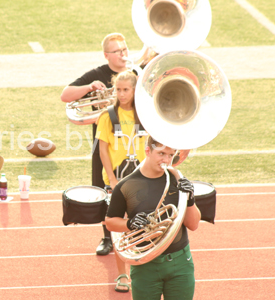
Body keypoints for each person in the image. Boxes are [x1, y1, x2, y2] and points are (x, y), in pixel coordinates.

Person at [105, 136, 201, 300]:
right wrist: (130, 224)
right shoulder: (127, 185)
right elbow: (110, 222)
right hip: (145, 265)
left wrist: (190, 199)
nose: (166, 160)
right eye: (161, 153)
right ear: (148, 151)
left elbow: (193, 225)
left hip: (180, 262)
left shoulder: (177, 181)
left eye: (171, 155)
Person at [60, 33, 130, 256]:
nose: (123, 54)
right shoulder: (98, 73)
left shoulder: (136, 74)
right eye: (117, 51)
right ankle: (107, 238)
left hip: (134, 142)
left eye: (125, 49)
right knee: (105, 190)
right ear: (106, 55)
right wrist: (89, 87)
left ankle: (136, 234)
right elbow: (66, 95)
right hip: (104, 143)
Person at [95, 70, 146, 292]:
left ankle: (144, 269)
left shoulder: (146, 114)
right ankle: (122, 274)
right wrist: (113, 179)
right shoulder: (108, 116)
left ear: (135, 90)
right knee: (119, 228)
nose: (122, 94)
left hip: (144, 178)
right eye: (118, 89)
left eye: (126, 90)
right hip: (117, 180)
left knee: (147, 224)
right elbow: (103, 151)